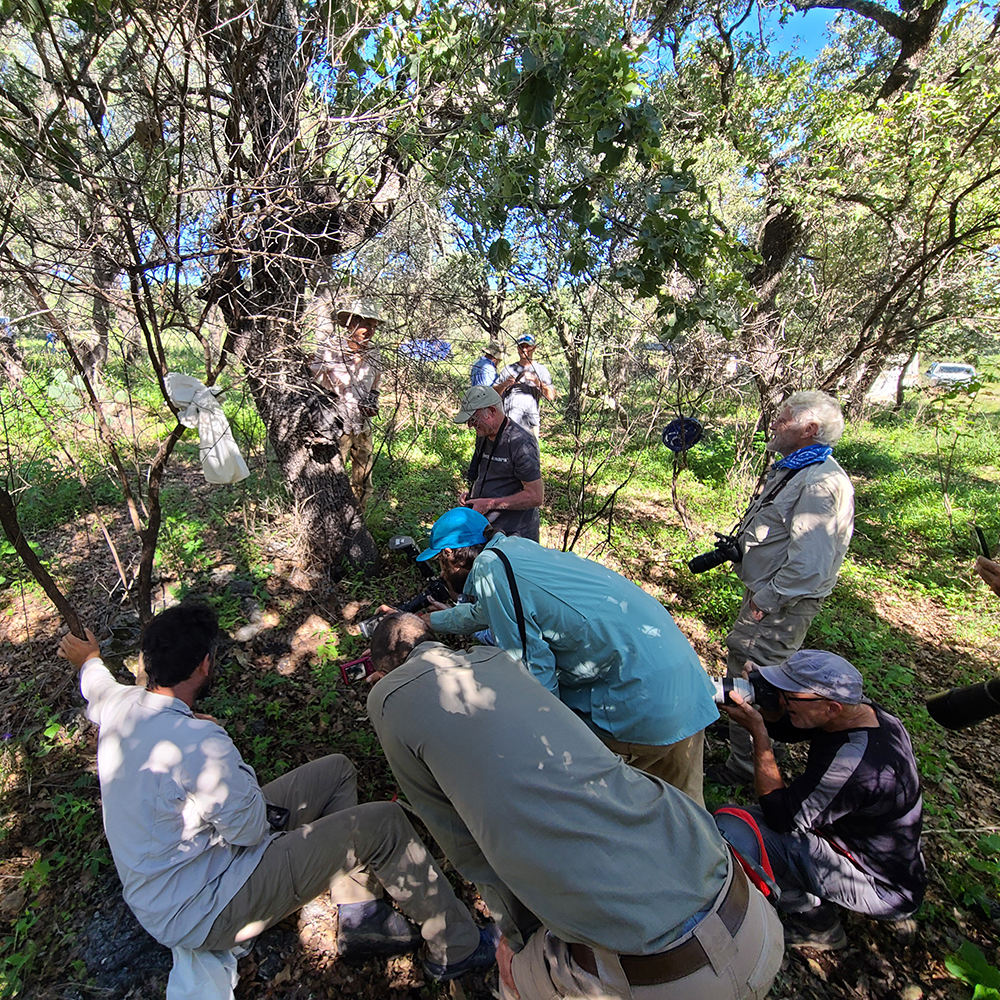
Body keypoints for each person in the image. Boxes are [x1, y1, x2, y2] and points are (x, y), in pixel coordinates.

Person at [57, 604, 494, 994]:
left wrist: (90, 658)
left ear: (146, 663)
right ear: (205, 665)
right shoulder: (199, 740)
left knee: (337, 769)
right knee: (384, 823)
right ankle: (455, 948)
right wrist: (220, 744)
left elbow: (96, 684)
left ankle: (361, 912)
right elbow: (249, 830)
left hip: (183, 878)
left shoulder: (123, 704)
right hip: (206, 905)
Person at [366, 613, 784, 1000]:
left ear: (382, 671)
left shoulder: (387, 697)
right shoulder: (495, 658)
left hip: (671, 981)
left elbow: (461, 841)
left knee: (512, 972)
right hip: (756, 922)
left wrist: (520, 939)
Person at [415, 507, 717, 804]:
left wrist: (548, 746)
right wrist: (429, 622)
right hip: (685, 688)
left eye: (441, 564)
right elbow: (488, 612)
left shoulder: (494, 571)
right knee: (688, 815)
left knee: (605, 806)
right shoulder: (516, 552)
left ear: (450, 556)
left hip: (641, 704)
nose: (442, 573)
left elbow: (533, 673)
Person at [716, 649, 926, 951]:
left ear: (831, 707)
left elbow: (780, 815)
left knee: (733, 831)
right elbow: (796, 725)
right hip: (883, 859)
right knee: (747, 823)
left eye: (789, 697)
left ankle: (818, 922)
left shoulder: (853, 764)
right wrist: (766, 696)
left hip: (879, 884)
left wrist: (759, 734)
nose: (783, 701)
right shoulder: (870, 717)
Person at [711, 390, 855, 787]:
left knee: (756, 677)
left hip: (779, 603)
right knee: (748, 666)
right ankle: (743, 736)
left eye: (783, 419)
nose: (773, 424)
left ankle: (746, 764)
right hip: (768, 594)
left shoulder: (822, 483)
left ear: (810, 429)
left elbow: (809, 566)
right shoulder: (798, 469)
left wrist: (765, 600)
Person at [308, 298, 383, 512]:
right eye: (365, 324)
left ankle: (358, 519)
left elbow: (375, 384)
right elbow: (312, 381)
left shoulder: (375, 354)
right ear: (350, 324)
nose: (369, 330)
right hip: (336, 426)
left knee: (364, 481)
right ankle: (333, 517)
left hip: (363, 426)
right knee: (333, 477)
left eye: (373, 326)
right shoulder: (331, 349)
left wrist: (372, 402)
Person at [453, 385, 543, 542]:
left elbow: (535, 496)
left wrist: (491, 503)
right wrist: (472, 496)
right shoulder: (484, 435)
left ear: (492, 412)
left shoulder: (520, 443)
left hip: (514, 535)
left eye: (473, 419)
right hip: (485, 528)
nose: (470, 426)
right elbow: (486, 474)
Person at [495, 334, 556, 437]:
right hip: (509, 423)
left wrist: (536, 382)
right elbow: (494, 393)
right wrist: (505, 384)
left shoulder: (541, 370)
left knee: (530, 452)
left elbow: (551, 396)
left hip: (530, 423)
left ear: (534, 348)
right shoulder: (508, 369)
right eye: (521, 346)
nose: (524, 349)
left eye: (527, 346)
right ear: (517, 348)